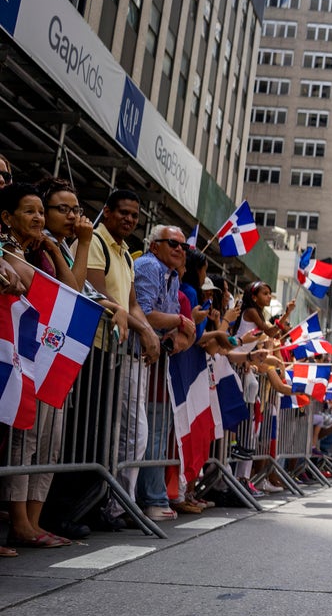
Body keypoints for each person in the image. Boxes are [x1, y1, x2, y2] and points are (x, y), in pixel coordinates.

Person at [0, 183, 72, 548]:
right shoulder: (8, 250)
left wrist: (56, 251)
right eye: (29, 211)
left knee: (48, 443)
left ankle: (34, 521)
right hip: (17, 356)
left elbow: (71, 293)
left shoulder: (42, 251)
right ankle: (19, 522)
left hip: (43, 356)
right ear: (6, 217)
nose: (38, 218)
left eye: (41, 212)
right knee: (20, 439)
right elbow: (37, 287)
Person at [86, 190, 160, 529]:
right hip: (93, 349)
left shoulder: (127, 254)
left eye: (134, 215)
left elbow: (132, 305)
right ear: (107, 211)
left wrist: (147, 330)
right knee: (95, 433)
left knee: (122, 434)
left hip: (117, 353)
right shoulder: (96, 243)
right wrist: (145, 330)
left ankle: (113, 504)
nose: (129, 219)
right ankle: (98, 506)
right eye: (123, 213)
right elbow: (98, 296)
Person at [131, 224, 195, 521]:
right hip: (134, 356)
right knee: (138, 434)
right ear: (154, 245)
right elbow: (143, 312)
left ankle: (140, 500)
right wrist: (181, 321)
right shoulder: (148, 265)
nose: (180, 249)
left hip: (153, 363)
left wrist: (176, 329)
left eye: (184, 246)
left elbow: (166, 321)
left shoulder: (170, 275)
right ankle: (140, 501)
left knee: (148, 433)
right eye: (173, 243)